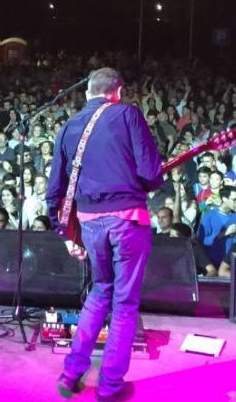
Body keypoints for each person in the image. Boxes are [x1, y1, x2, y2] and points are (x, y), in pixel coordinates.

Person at [48, 68, 163, 402]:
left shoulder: (69, 126)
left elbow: (55, 187)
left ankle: (71, 374)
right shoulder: (127, 114)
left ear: (87, 94)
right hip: (127, 219)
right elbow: (151, 174)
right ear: (119, 92)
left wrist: (66, 234)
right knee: (124, 302)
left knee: (100, 291)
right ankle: (111, 386)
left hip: (90, 223)